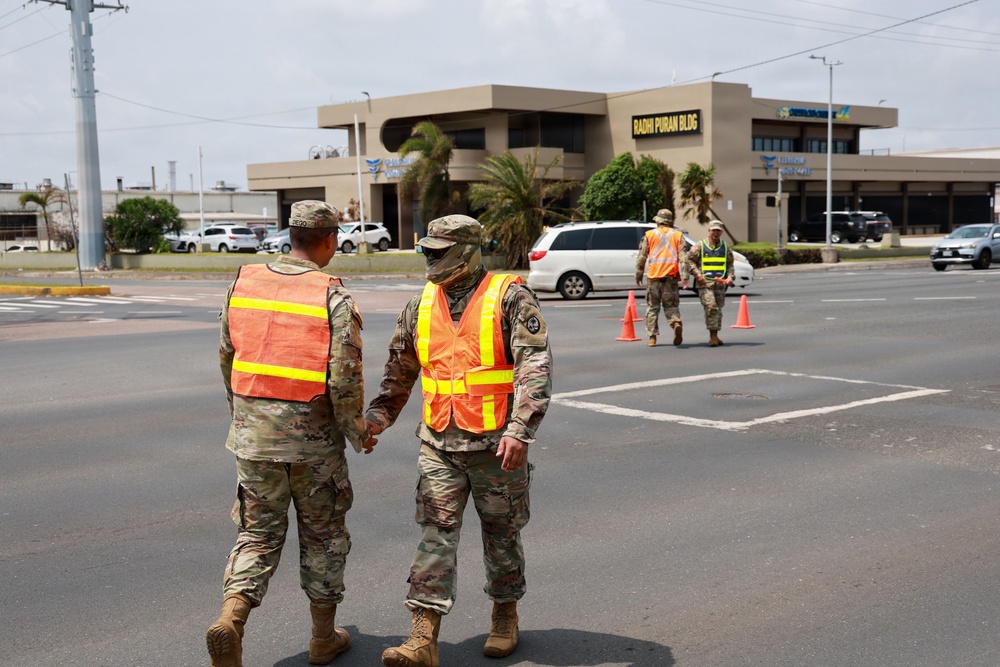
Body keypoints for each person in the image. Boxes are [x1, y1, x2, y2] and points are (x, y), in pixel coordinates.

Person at [365, 214, 552, 667]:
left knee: (502, 536)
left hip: (495, 448)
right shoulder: (419, 304)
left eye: (439, 250)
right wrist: (379, 414)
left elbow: (534, 365)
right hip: (438, 444)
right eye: (427, 250)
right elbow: (401, 367)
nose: (430, 257)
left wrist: (521, 429)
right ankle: (422, 638)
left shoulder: (510, 297)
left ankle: (505, 615)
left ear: (468, 252)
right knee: (435, 537)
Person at [206, 200, 376, 667]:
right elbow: (344, 378)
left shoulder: (244, 282)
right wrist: (357, 430)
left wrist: (243, 418)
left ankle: (232, 619)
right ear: (327, 240)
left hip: (253, 438)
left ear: (289, 236)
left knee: (257, 534)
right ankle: (323, 639)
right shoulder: (333, 296)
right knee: (322, 536)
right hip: (313, 445)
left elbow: (227, 357)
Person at [635, 208, 688, 347]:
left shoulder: (649, 235)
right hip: (671, 277)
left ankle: (652, 338)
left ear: (658, 221)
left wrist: (638, 275)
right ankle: (675, 323)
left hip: (654, 277)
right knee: (671, 305)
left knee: (653, 307)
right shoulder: (678, 235)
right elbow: (683, 258)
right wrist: (686, 276)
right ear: (670, 222)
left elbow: (641, 258)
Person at [686, 220, 735, 347]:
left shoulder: (725, 247)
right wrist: (697, 274)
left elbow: (730, 264)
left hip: (720, 284)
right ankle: (712, 336)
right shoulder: (700, 245)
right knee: (711, 307)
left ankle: (716, 334)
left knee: (718, 309)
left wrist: (730, 277)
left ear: (721, 232)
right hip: (705, 283)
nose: (716, 233)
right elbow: (689, 260)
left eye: (718, 230)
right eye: (713, 230)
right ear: (709, 231)